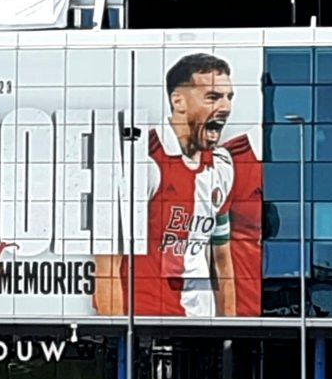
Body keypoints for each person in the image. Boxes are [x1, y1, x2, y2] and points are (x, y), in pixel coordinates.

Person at [93, 52, 241, 317]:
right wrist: (116, 337)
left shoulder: (221, 165)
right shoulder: (142, 160)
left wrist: (230, 334)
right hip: (147, 321)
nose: (226, 107)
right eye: (213, 97)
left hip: (201, 323)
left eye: (229, 97)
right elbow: (107, 267)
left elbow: (222, 260)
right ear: (178, 101)